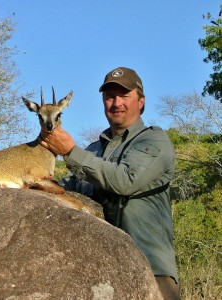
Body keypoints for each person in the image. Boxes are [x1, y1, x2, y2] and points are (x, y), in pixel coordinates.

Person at [39, 67, 180, 300]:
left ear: (141, 102)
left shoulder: (155, 140)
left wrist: (70, 152)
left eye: (124, 95)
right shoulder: (93, 150)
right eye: (109, 97)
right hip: (102, 271)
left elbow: (125, 180)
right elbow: (66, 191)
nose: (116, 103)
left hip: (151, 271)